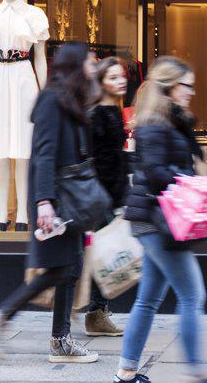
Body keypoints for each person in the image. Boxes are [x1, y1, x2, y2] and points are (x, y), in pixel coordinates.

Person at [0, 42, 101, 363]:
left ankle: (60, 341)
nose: (93, 67)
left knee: (69, 268)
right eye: (89, 62)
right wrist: (44, 202)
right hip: (54, 197)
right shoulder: (50, 100)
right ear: (75, 65)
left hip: (69, 196)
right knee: (59, 268)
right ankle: (0, 318)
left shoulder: (71, 99)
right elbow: (43, 154)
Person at [115, 56, 207, 383]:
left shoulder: (170, 123)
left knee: (148, 299)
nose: (192, 92)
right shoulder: (155, 125)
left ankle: (126, 373)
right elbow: (156, 173)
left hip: (155, 219)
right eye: (187, 86)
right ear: (171, 87)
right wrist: (190, 181)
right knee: (192, 295)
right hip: (157, 221)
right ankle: (197, 370)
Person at [84, 56, 130, 337]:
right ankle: (94, 314)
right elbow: (96, 159)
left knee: (105, 255)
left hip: (111, 194)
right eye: (112, 77)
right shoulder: (97, 114)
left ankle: (95, 312)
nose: (121, 80)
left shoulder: (113, 110)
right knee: (104, 256)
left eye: (121, 75)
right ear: (101, 82)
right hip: (99, 195)